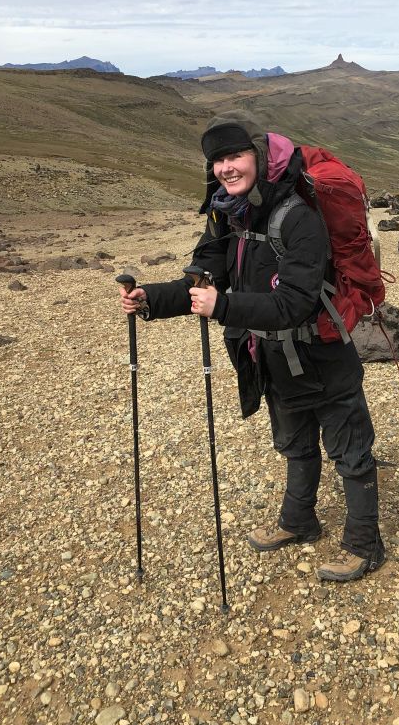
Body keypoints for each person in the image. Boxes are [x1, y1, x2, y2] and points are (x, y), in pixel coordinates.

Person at [118, 110, 385, 582]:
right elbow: (205, 280)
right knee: (294, 445)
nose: (226, 167)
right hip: (272, 357)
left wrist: (222, 307)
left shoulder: (299, 218)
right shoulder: (229, 213)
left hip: (321, 354)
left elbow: (294, 304)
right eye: (217, 160)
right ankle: (298, 522)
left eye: (235, 155)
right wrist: (151, 300)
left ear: (258, 158)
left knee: (350, 450)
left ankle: (365, 544)